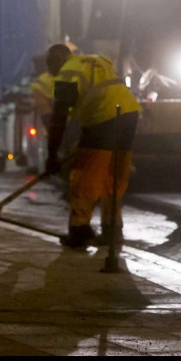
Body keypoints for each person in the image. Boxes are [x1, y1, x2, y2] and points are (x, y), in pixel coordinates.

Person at [43, 43, 141, 249]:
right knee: (113, 175)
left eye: (49, 64)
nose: (49, 70)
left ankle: (80, 232)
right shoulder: (95, 60)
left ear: (57, 60)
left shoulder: (67, 74)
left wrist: (52, 156)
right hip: (129, 114)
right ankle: (112, 230)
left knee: (83, 175)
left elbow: (58, 120)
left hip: (103, 118)